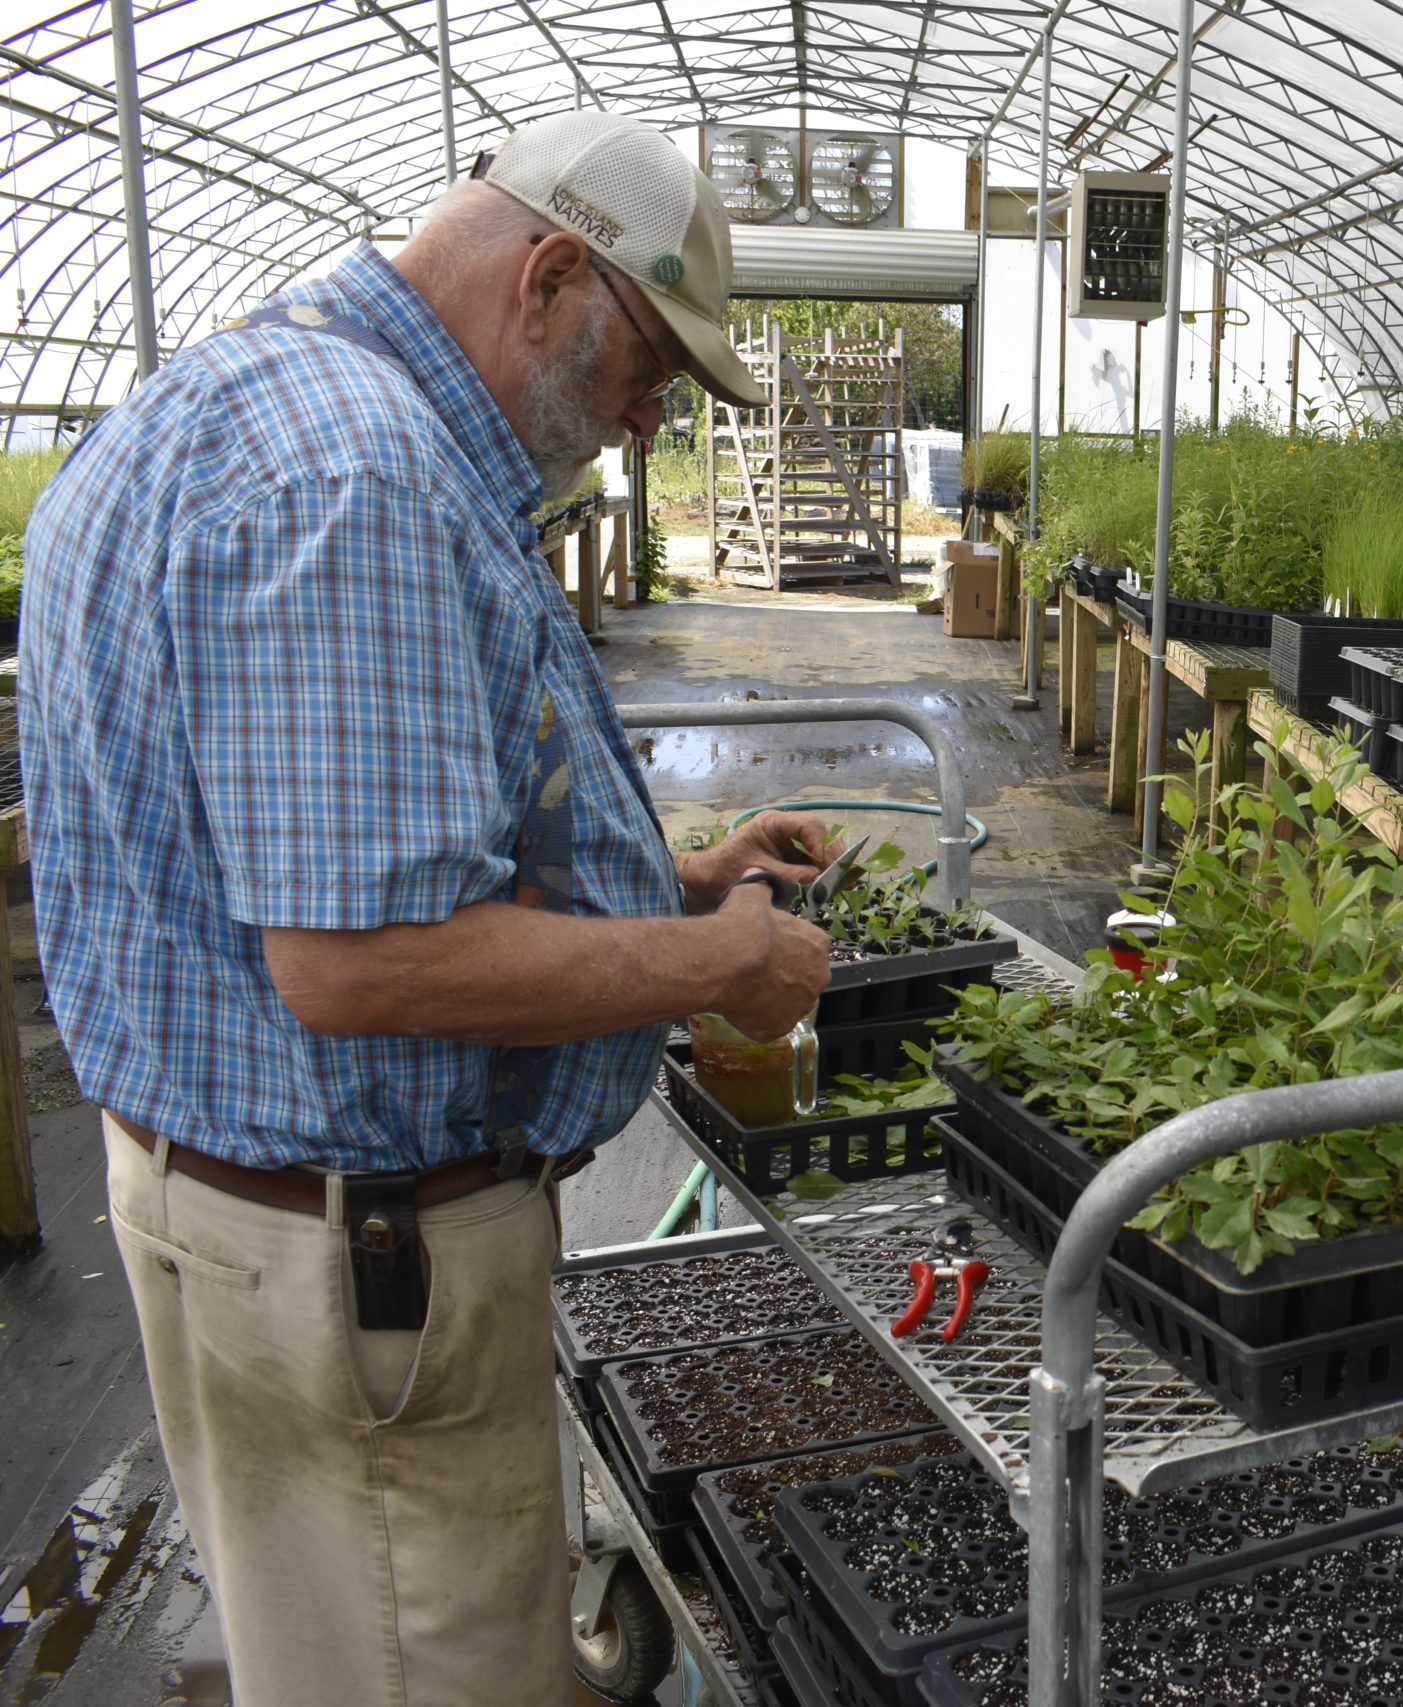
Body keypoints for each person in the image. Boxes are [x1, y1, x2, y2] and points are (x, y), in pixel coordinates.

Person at [20, 111, 838, 1706]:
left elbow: (308, 854)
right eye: (643, 378)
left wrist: (671, 881)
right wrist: (715, 962)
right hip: (359, 1283)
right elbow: (360, 962)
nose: (642, 426)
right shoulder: (360, 477)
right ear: (547, 278)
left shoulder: (263, 396)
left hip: (263, 1223)